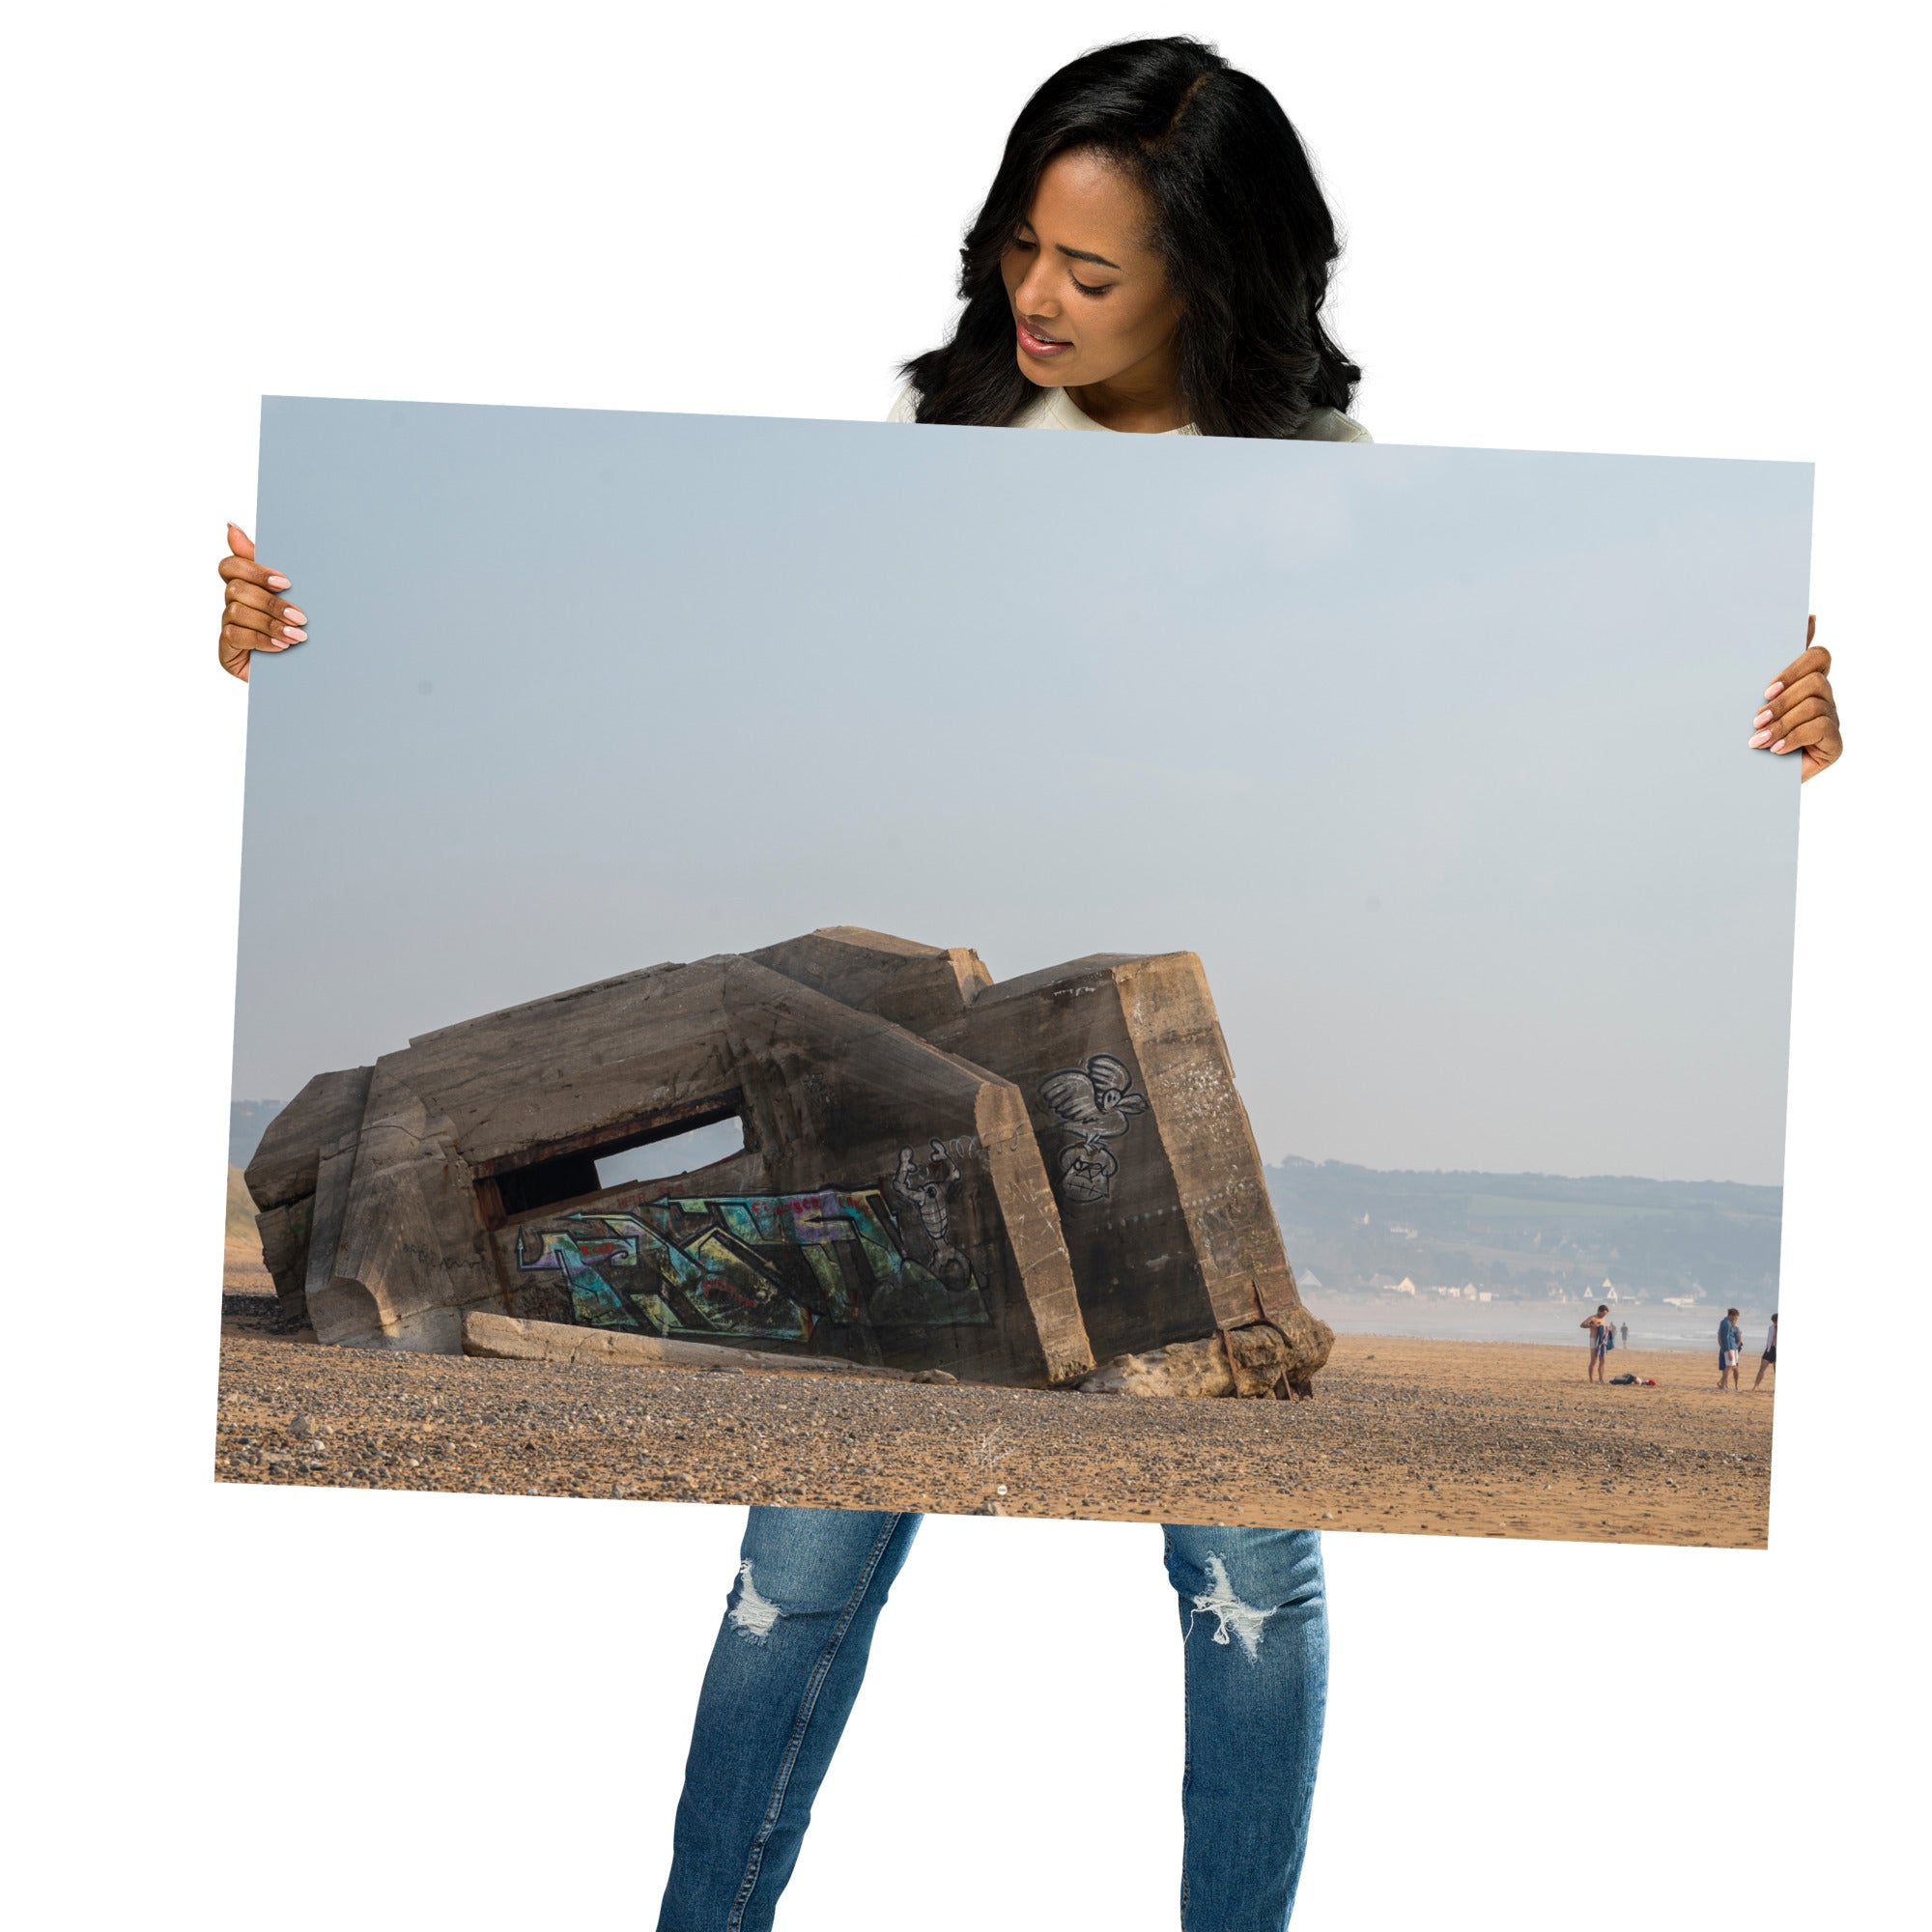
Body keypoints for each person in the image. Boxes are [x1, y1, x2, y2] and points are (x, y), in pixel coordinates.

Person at [212, 37, 1844, 1930]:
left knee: (1247, 1571)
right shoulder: (948, 451)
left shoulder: (1347, 494)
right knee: (803, 1563)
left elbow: (1437, 766)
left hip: (1165, 1076)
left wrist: (1791, 738)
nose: (1036, 301)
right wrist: (256, 634)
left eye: (1092, 271)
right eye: (1019, 252)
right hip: (928, 1034)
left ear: (1213, 279)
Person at [1581, 1304, 1615, 1382]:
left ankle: (1601, 1379)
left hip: (1601, 1340)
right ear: (1599, 1311)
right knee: (1594, 1360)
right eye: (1603, 1313)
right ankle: (1591, 1379)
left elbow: (1602, 1329)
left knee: (1602, 1360)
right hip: (1593, 1340)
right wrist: (1593, 1325)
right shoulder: (1592, 1318)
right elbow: (1582, 1325)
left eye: (1605, 1314)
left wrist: (1608, 1329)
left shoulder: (1603, 1318)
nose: (1604, 1315)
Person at [1718, 1307, 1745, 1391]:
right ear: (1732, 1316)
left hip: (1732, 1347)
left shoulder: (1726, 1322)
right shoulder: (1726, 1323)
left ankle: (1722, 1384)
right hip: (1729, 1348)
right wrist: (1728, 1350)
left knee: (1731, 1366)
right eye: (1736, 1317)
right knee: (1729, 1366)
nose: (1736, 1319)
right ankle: (1722, 1384)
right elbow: (1725, 1337)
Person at [1754, 1311, 1779, 1388]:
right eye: (1774, 1322)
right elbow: (1769, 1340)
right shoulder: (1771, 1328)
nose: (1775, 1323)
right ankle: (1756, 1386)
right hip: (1769, 1349)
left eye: (1776, 1322)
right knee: (1762, 1368)